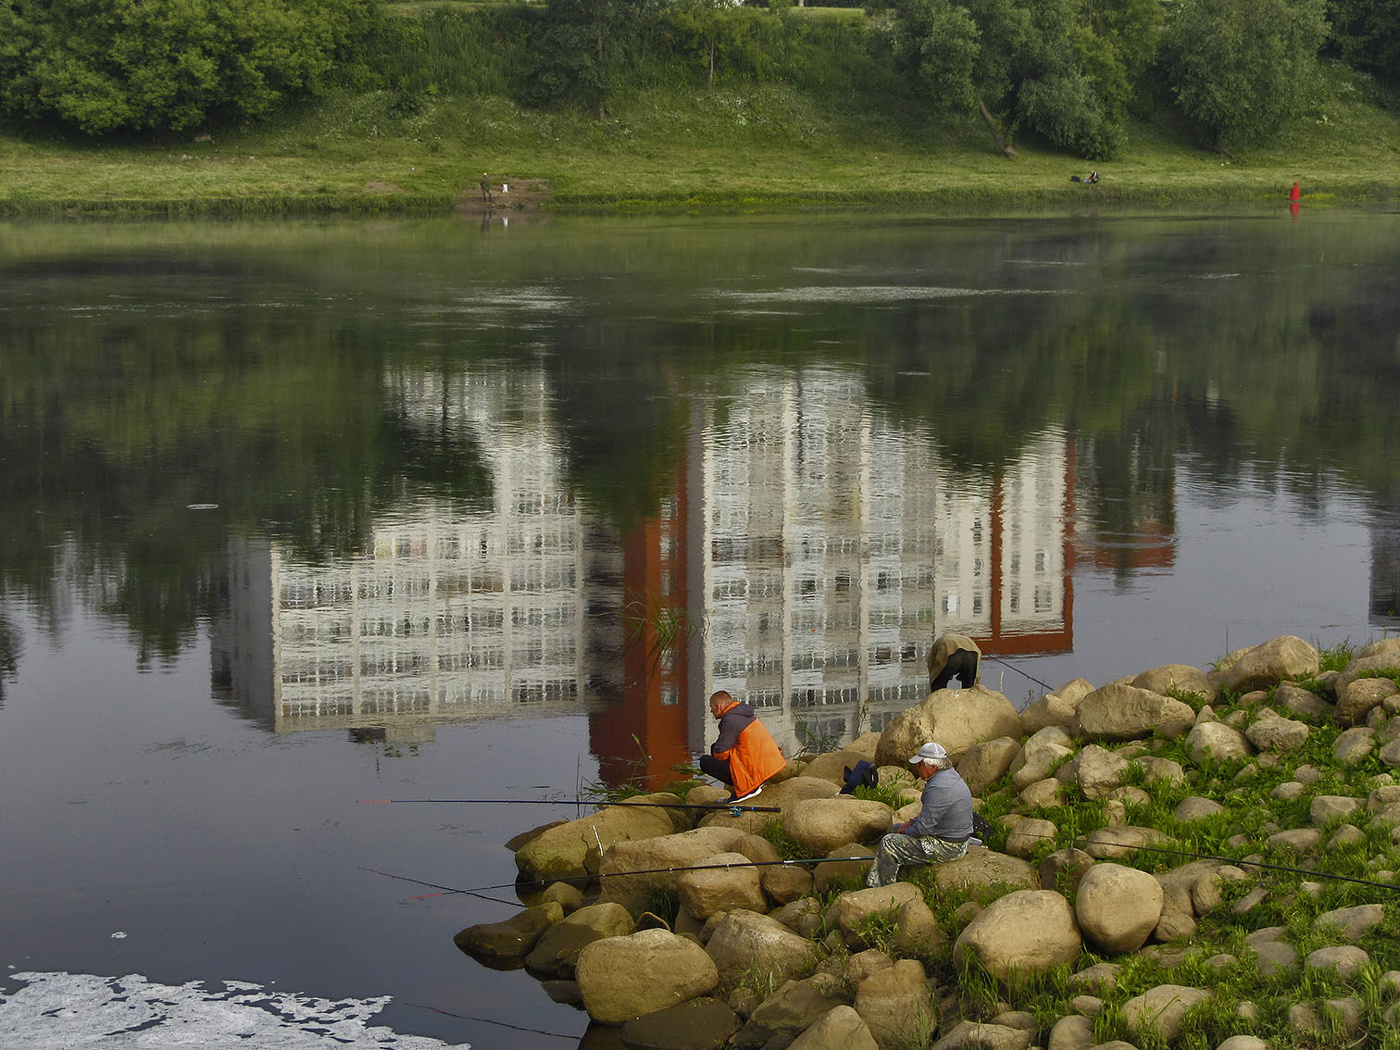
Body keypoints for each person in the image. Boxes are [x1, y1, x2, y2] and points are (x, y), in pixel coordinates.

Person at [865, 741, 974, 888]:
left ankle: (880, 887)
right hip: (957, 837)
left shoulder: (939, 787)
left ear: (933, 767)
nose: (917, 768)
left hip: (950, 846)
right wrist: (908, 824)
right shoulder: (950, 775)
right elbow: (930, 818)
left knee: (888, 842)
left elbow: (923, 829)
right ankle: (899, 868)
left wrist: (905, 830)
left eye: (920, 764)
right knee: (897, 828)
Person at [699, 690, 786, 804]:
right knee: (714, 748)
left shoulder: (731, 720)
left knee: (705, 762)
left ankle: (748, 789)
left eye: (711, 707)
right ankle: (753, 782)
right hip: (768, 764)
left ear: (718, 706)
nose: (711, 711)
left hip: (756, 770)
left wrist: (721, 752)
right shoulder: (741, 714)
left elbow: (721, 753)